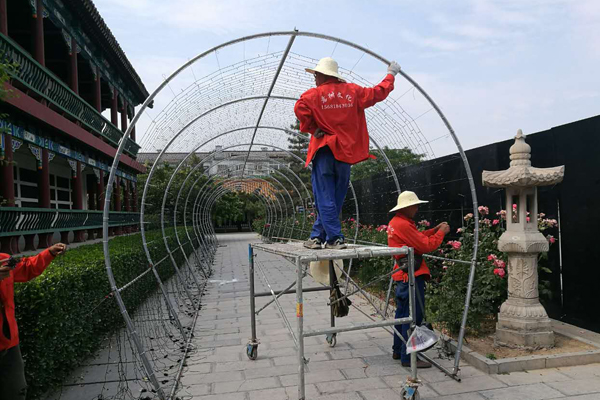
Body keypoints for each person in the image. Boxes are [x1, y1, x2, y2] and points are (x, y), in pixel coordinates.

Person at [295, 57, 402, 250]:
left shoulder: (313, 95)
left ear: (322, 75)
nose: (314, 78)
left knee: (324, 197)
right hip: (344, 153)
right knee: (335, 198)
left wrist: (313, 127)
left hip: (325, 151)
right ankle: (317, 236)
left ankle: (334, 238)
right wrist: (391, 74)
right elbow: (377, 93)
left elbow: (299, 107)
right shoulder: (353, 92)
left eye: (316, 74)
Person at [386, 191, 449, 368]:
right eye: (414, 205)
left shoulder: (397, 222)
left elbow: (416, 237)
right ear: (406, 207)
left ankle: (398, 350)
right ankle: (409, 357)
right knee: (413, 316)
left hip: (402, 274)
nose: (417, 208)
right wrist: (441, 233)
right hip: (411, 275)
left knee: (402, 315)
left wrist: (434, 230)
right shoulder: (403, 224)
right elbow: (425, 245)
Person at [0, 243, 66, 399]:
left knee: (16, 390)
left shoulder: (3, 260)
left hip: (9, 343)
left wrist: (49, 253)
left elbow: (26, 268)